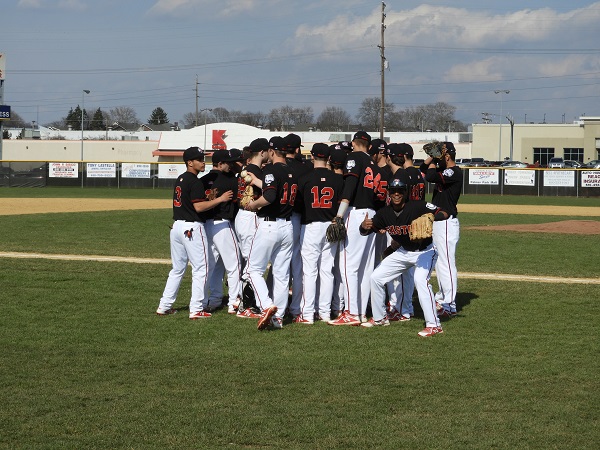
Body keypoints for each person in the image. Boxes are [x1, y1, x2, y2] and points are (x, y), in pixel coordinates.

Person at [359, 178, 448, 337]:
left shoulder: (418, 206)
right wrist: (363, 226)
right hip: (402, 252)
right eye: (393, 191)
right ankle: (380, 318)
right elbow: (367, 230)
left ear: (406, 193)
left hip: (425, 251)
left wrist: (432, 217)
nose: (396, 194)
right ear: (389, 193)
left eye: (400, 191)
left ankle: (434, 325)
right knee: (376, 278)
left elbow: (444, 212)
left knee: (420, 281)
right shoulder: (384, 214)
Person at [156, 146, 233, 319]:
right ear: (189, 162)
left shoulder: (181, 179)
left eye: (203, 158)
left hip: (177, 226)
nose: (202, 161)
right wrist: (220, 199)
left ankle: (164, 305)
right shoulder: (195, 181)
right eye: (199, 159)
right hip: (191, 227)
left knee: (177, 269)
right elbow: (198, 207)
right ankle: (197, 308)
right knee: (201, 268)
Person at [244, 136, 298, 330]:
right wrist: (257, 181)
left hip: (269, 225)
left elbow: (269, 196)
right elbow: (273, 187)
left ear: (273, 152)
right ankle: (279, 319)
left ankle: (267, 305)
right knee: (282, 275)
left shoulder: (270, 170)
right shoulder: (291, 171)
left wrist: (253, 205)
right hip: (288, 226)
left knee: (252, 270)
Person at [329, 131, 378, 326]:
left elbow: (349, 187)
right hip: (371, 212)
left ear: (353, 143)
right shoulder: (374, 164)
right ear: (369, 146)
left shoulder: (354, 158)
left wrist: (339, 215)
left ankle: (351, 313)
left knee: (348, 266)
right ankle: (361, 312)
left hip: (356, 213)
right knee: (365, 267)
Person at [295, 143, 344, 324]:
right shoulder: (338, 179)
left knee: (309, 271)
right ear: (329, 158)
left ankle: (307, 314)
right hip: (331, 225)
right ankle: (324, 312)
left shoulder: (305, 178)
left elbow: (299, 205)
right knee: (327, 270)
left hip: (311, 226)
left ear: (312, 156)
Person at [420, 141, 462, 317]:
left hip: (446, 223)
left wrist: (435, 161)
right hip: (438, 223)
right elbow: (423, 169)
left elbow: (429, 177)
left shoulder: (454, 171)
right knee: (439, 262)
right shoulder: (442, 169)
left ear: (447, 156)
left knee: (446, 263)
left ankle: (449, 304)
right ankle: (442, 298)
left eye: (440, 154)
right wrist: (431, 158)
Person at [201, 149, 244, 315]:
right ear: (220, 164)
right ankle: (234, 302)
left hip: (206, 225)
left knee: (213, 265)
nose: (231, 165)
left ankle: (214, 299)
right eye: (228, 162)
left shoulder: (203, 180)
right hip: (222, 225)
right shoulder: (229, 179)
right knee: (234, 265)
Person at [234, 139, 269, 319]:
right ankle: (246, 306)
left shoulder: (247, 169)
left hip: (243, 217)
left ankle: (244, 303)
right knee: (251, 262)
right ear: (262, 152)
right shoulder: (256, 171)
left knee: (250, 260)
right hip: (250, 217)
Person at [283, 133, 313, 320]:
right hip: (297, 218)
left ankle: (278, 303)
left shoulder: (276, 166)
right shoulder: (306, 168)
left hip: (277, 217)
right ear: (297, 148)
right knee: (296, 262)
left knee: (280, 263)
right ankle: (296, 307)